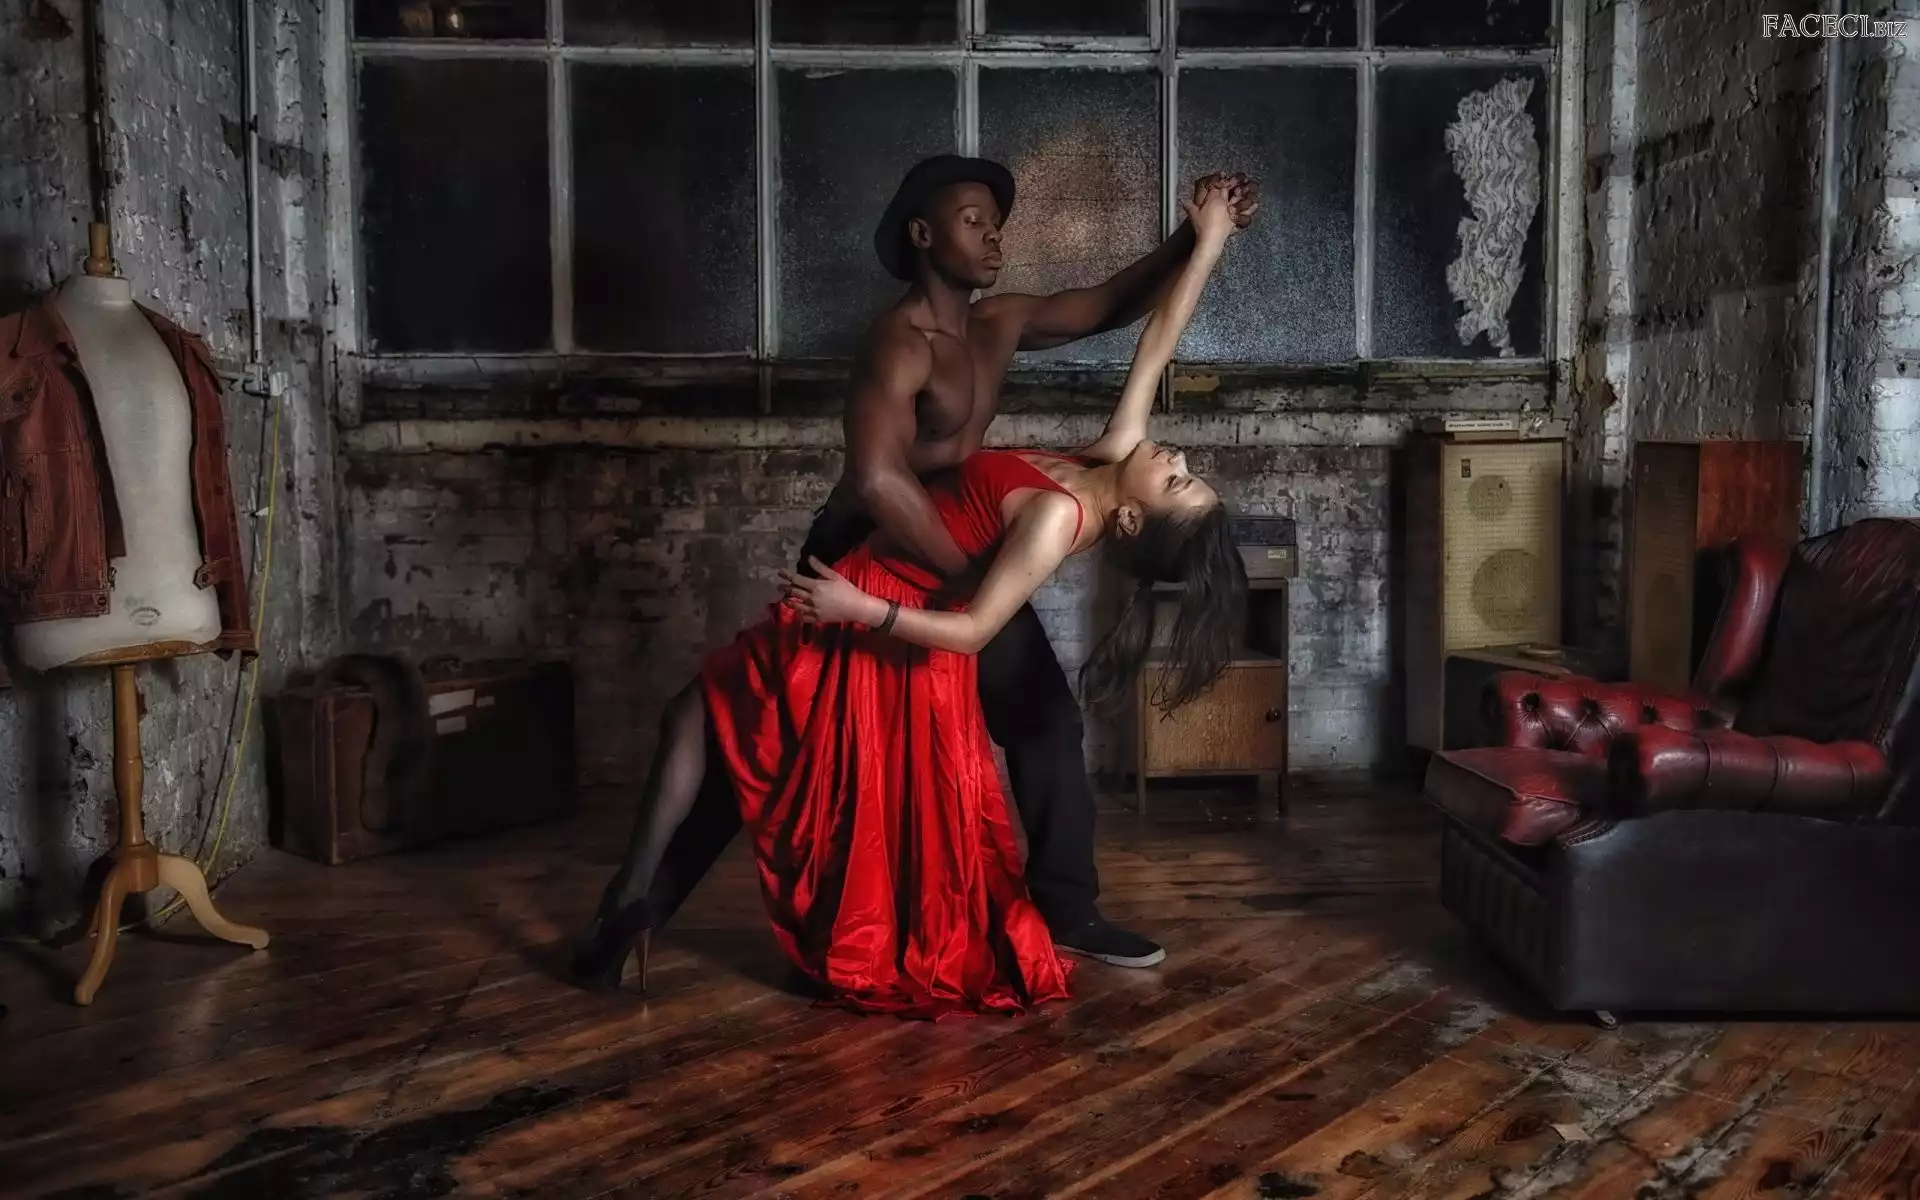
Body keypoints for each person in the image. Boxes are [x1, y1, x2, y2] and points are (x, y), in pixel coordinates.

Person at [571, 180, 1251, 1018]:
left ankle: (1065, 911)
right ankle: (640, 906)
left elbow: (1119, 310)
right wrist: (1208, 242)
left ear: (1139, 518)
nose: (996, 236)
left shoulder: (1019, 377)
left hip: (930, 584)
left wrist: (1200, 237)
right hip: (880, 556)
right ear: (924, 236)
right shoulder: (956, 374)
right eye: (976, 221)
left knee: (1036, 723)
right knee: (749, 730)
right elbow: (1153, 347)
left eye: (998, 222)